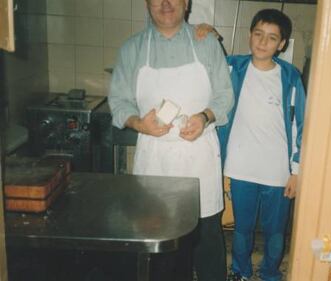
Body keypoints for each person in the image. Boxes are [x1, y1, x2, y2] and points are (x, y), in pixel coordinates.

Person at [108, 0, 234, 281]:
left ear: (186, 2)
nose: (165, 4)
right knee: (157, 237)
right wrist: (138, 122)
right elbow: (118, 101)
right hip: (155, 157)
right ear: (147, 3)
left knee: (206, 239)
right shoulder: (132, 48)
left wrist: (204, 117)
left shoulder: (206, 43)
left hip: (198, 155)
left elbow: (225, 95)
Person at [197, 8, 306, 281]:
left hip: (278, 171)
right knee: (242, 228)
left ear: (281, 44)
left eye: (271, 38)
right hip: (241, 166)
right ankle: (241, 272)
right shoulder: (234, 66)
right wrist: (211, 35)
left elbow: (300, 125)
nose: (262, 42)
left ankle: (270, 274)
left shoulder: (290, 76)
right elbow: (208, 63)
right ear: (250, 35)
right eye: (258, 34)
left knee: (275, 231)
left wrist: (296, 171)